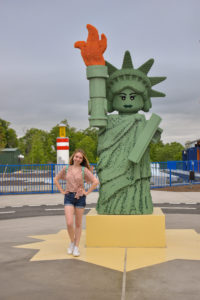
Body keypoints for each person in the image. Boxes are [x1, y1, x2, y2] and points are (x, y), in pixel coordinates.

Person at [54, 149, 99, 257]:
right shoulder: (66, 168)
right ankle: (72, 242)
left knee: (78, 224)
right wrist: (62, 191)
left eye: (80, 157)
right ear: (73, 157)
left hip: (80, 198)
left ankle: (76, 247)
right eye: (76, 156)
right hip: (69, 197)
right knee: (69, 223)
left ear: (82, 159)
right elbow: (56, 179)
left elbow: (95, 181)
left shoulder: (84, 170)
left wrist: (86, 192)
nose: (78, 159)